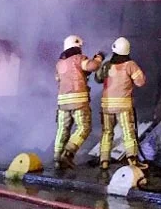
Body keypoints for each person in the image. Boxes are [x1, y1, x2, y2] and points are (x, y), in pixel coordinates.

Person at [96, 37, 146, 173]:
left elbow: (98, 78)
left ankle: (104, 161)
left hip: (106, 107)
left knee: (107, 132)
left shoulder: (106, 65)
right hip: (123, 106)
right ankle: (133, 160)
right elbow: (140, 82)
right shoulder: (130, 65)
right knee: (128, 132)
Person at [54, 35, 103, 170]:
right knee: (84, 127)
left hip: (62, 102)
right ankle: (68, 154)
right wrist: (98, 58)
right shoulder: (78, 59)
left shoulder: (60, 63)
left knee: (62, 129)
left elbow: (58, 79)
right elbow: (92, 66)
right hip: (78, 101)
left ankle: (57, 158)